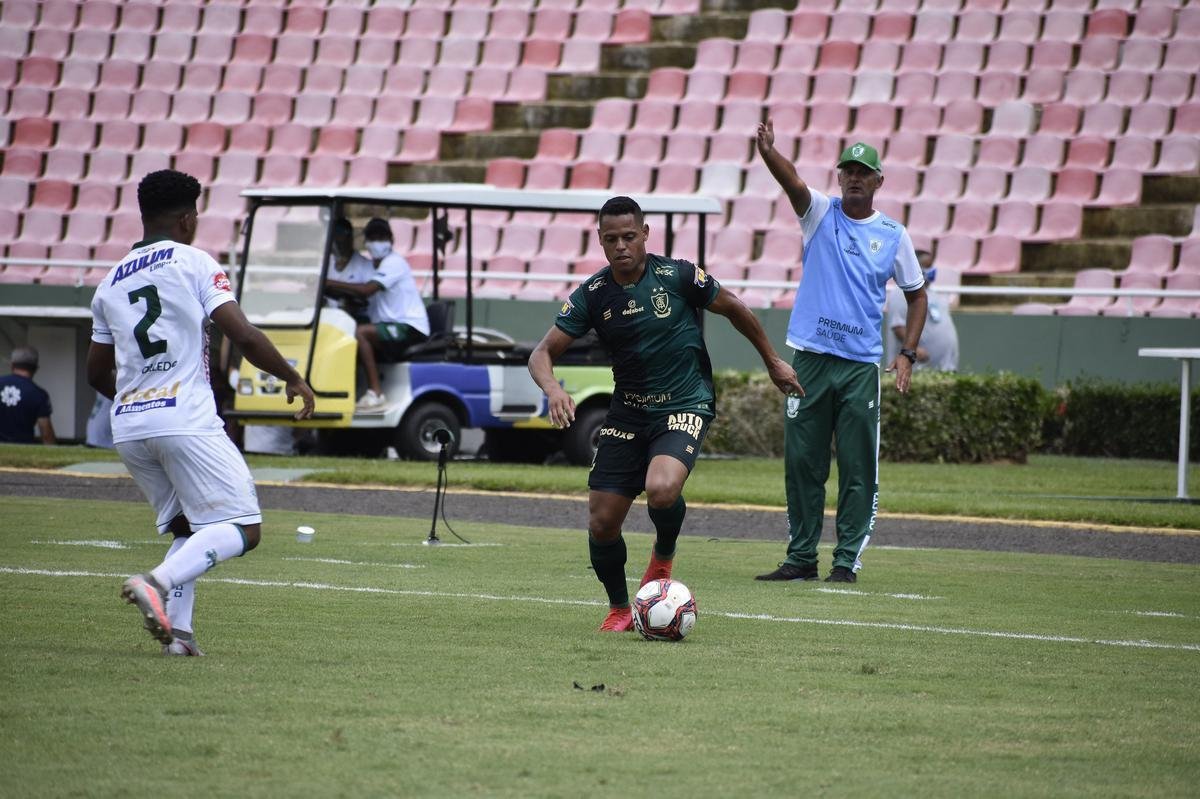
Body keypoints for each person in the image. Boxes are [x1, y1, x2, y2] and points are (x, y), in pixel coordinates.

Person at [528, 196, 803, 632]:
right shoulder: (594, 295)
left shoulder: (676, 275)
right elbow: (541, 353)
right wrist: (552, 387)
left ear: (645, 235)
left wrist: (772, 361)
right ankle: (620, 608)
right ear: (600, 241)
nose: (621, 246)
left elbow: (733, 307)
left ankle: (663, 556)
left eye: (629, 237)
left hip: (684, 402)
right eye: (611, 239)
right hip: (628, 413)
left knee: (661, 488)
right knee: (601, 523)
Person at [86, 169, 315, 655]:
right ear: (189, 217)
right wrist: (292, 377)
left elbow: (94, 373)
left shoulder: (108, 282)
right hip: (184, 417)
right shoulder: (194, 262)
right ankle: (157, 582)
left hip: (128, 425)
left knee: (191, 527)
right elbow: (244, 334)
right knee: (244, 528)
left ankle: (181, 637)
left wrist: (135, 402)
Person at [754, 125, 927, 584]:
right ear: (838, 177)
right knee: (803, 464)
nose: (854, 177)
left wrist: (907, 352)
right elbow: (791, 181)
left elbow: (917, 295)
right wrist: (770, 153)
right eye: (847, 170)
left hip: (859, 367)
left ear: (878, 182)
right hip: (808, 359)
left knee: (856, 468)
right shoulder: (819, 214)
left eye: (863, 171)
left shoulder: (893, 234)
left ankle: (846, 560)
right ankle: (801, 557)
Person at [324, 217, 430, 411]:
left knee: (361, 333)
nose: (377, 242)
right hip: (391, 325)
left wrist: (329, 283)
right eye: (372, 237)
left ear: (391, 239)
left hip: (410, 327)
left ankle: (376, 393)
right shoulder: (376, 267)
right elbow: (360, 296)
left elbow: (366, 290)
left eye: (381, 236)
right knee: (346, 331)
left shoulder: (394, 263)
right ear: (366, 242)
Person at [885, 250, 959, 372]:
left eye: (932, 266)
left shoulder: (933, 293)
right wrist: (914, 349)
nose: (931, 271)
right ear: (915, 268)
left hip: (942, 368)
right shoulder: (901, 292)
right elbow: (898, 326)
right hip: (916, 369)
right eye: (927, 267)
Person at [0, 346, 56, 444]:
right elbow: (46, 434)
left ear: (12, 365)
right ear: (35, 368)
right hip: (23, 451)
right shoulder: (39, 395)